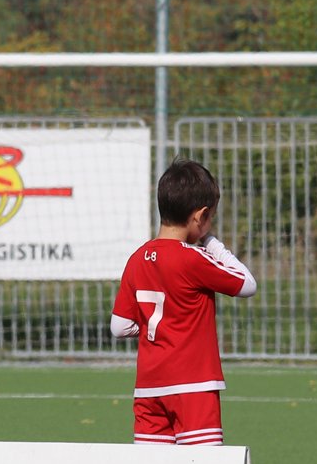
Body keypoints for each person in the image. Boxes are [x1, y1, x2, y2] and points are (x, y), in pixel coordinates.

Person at [110, 159, 257, 446]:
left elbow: (119, 327)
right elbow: (247, 283)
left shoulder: (137, 259)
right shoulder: (192, 258)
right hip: (194, 386)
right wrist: (211, 242)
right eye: (210, 218)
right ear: (200, 216)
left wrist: (160, 326)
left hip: (148, 389)